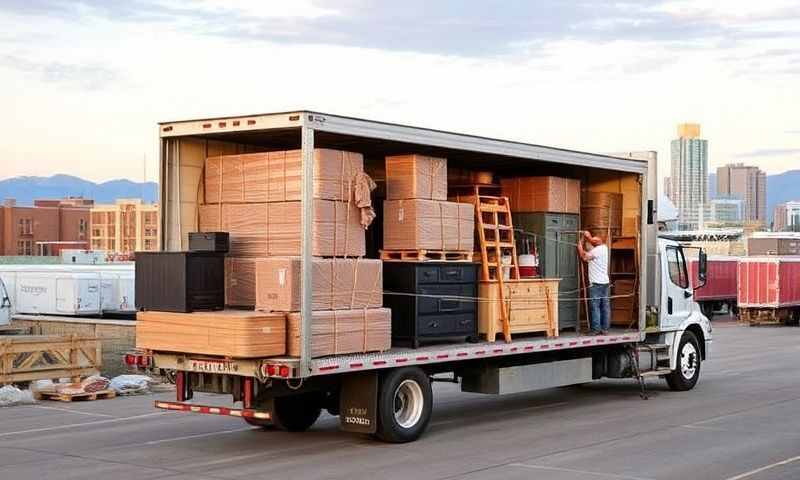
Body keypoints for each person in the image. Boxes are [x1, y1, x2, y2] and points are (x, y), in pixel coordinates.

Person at [577, 230, 610, 335]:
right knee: (604, 306)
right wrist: (587, 238)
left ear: (599, 241)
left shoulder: (597, 251)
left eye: (594, 240)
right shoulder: (605, 248)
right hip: (605, 282)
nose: (592, 242)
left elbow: (583, 256)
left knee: (595, 307)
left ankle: (595, 329)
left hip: (596, 283)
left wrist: (580, 243)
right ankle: (605, 329)